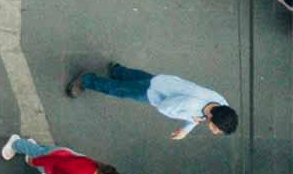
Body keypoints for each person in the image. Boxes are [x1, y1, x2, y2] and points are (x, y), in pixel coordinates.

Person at [64, 63, 235, 138]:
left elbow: (202, 116)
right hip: (154, 92)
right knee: (118, 90)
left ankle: (118, 70)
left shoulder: (220, 102)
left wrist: (187, 129)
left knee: (138, 77)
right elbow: (164, 107)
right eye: (217, 129)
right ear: (214, 118)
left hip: (165, 82)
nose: (215, 132)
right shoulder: (191, 105)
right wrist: (190, 122)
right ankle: (86, 80)